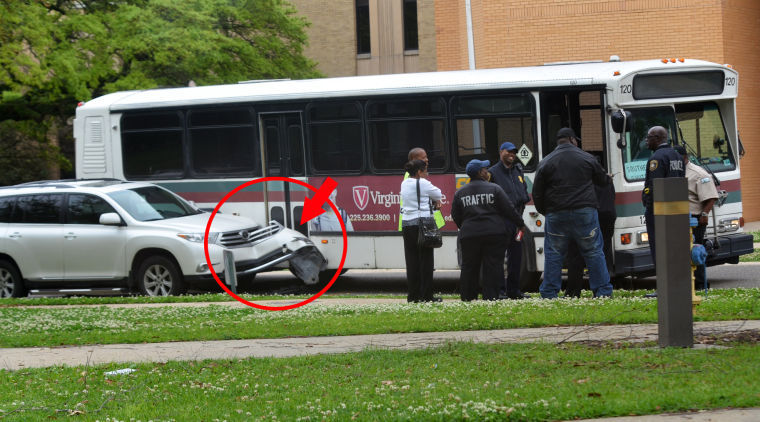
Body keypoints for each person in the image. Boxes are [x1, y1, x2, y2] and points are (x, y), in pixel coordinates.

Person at [532, 128, 613, 299]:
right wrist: (607, 178)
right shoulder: (587, 158)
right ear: (572, 139)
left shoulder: (546, 161)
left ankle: (549, 293)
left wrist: (545, 211)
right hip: (584, 211)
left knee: (554, 254)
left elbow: (537, 192)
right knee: (593, 251)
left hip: (556, 213)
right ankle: (603, 291)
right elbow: (602, 181)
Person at [452, 159, 526, 301]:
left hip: (469, 235)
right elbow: (509, 209)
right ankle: (490, 298)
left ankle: (468, 298)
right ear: (480, 173)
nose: (487, 172)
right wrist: (520, 224)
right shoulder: (494, 189)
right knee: (492, 266)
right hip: (494, 234)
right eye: (485, 170)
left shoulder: (460, 192)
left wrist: (467, 226)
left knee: (469, 267)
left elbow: (456, 215)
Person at [565, 153, 616, 297]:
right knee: (602, 253)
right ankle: (603, 288)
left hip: (591, 219)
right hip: (609, 218)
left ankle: (573, 291)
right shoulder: (606, 179)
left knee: (577, 255)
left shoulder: (585, 181)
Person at [489, 142, 531, 299]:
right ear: (501, 152)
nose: (512, 154)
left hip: (517, 220)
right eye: (509, 151)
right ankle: (500, 291)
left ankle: (514, 291)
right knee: (499, 258)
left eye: (514, 152)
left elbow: (523, 192)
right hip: (501, 221)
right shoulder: (492, 173)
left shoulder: (518, 170)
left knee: (516, 257)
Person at [675, 145, 718, 290]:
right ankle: (686, 283)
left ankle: (700, 283)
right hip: (679, 218)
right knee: (681, 253)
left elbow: (711, 197)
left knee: (695, 251)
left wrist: (704, 214)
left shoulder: (698, 173)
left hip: (695, 219)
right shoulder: (676, 171)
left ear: (684, 157)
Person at [400, 159, 442, 302]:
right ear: (419, 172)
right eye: (425, 171)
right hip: (423, 224)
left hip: (407, 224)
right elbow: (438, 194)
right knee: (426, 261)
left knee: (411, 261)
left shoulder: (404, 183)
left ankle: (413, 296)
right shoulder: (423, 183)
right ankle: (426, 296)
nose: (426, 173)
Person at [642, 126, 685, 265]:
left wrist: (648, 205)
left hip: (659, 211)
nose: (646, 140)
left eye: (649, 137)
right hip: (677, 209)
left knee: (658, 247)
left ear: (658, 138)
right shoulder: (677, 156)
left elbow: (654, 186)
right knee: (675, 248)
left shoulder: (656, 158)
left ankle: (662, 282)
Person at [398, 147, 429, 231]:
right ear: (414, 160)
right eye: (423, 158)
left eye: (426, 157)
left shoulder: (417, 174)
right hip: (418, 221)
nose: (427, 159)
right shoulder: (413, 177)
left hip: (418, 220)